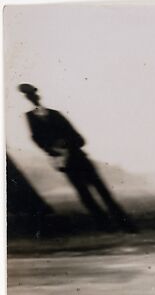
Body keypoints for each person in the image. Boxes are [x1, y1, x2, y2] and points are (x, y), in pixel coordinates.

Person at [18, 83, 137, 233]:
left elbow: (79, 138)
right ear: (27, 98)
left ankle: (125, 225)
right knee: (85, 195)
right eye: (30, 96)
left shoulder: (56, 114)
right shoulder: (30, 118)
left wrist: (66, 143)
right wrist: (53, 149)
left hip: (79, 158)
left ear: (38, 96)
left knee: (102, 192)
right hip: (65, 162)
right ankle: (105, 226)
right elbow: (37, 139)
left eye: (34, 95)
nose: (33, 98)